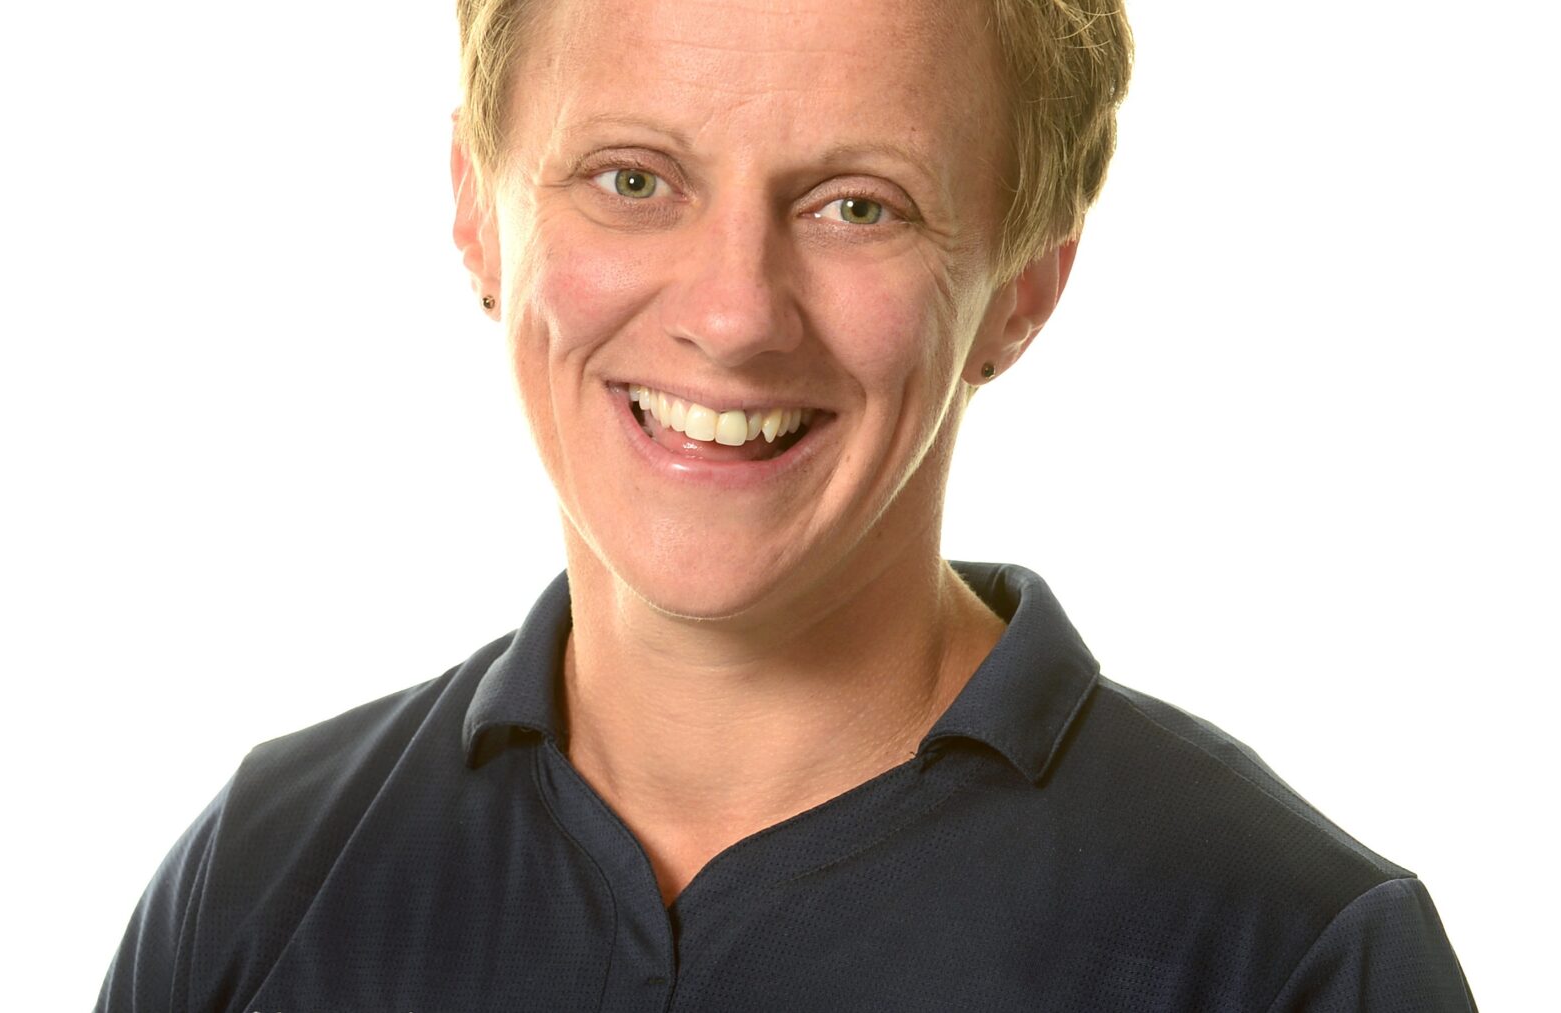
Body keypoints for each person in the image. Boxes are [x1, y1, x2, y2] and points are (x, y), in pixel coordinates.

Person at [96, 0, 1476, 1009]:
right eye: (633, 180)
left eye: (858, 207)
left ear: (1025, 285)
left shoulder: (1288, 958)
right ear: (476, 210)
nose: (735, 313)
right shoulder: (260, 884)